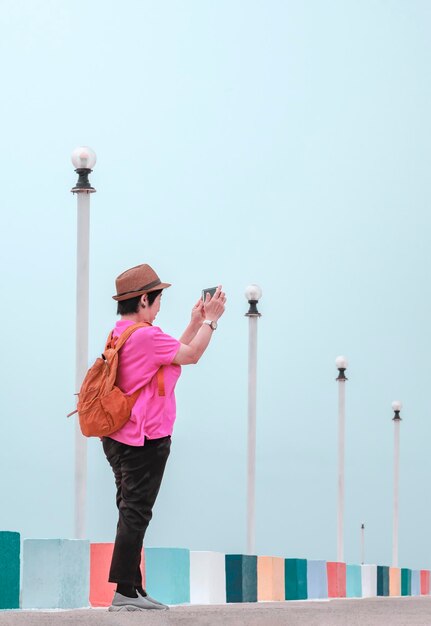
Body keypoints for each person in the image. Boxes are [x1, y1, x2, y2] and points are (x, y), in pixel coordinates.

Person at [103, 263, 226, 612]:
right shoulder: (144, 335)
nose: (159, 309)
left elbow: (171, 353)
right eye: (157, 301)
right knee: (136, 512)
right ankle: (125, 592)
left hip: (118, 437)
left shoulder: (121, 333)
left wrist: (194, 321)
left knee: (130, 510)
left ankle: (132, 588)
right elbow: (192, 355)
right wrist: (211, 321)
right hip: (144, 439)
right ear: (144, 299)